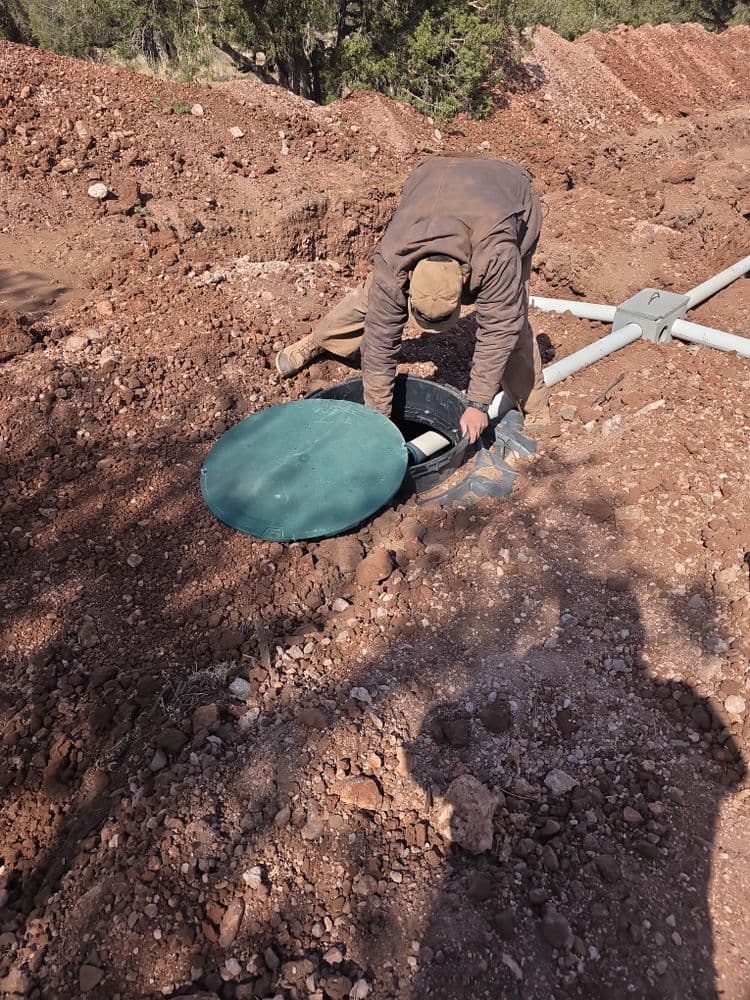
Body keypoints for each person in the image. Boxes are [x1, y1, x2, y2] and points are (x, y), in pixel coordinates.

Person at [275, 155, 549, 442]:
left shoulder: (496, 257)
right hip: (436, 178)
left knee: (512, 319)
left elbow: (499, 328)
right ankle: (321, 339)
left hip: (509, 198)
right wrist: (378, 417)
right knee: (373, 298)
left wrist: (479, 404)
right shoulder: (394, 258)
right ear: (410, 274)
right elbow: (381, 336)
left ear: (464, 279)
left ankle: (533, 404)